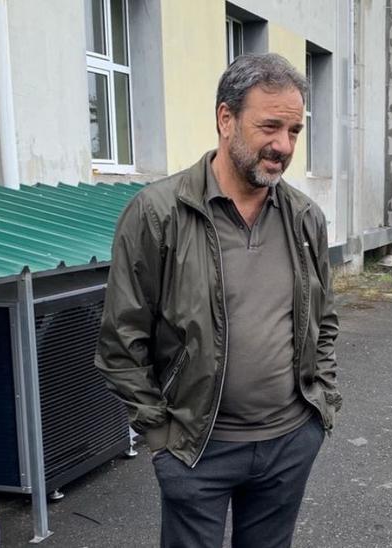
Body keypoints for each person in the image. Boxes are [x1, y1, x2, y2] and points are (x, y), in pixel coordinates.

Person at [95, 52, 340, 548]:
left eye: (294, 131)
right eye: (270, 126)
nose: (283, 145)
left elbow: (325, 320)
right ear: (225, 119)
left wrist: (320, 408)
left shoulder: (305, 217)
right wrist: (161, 438)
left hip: (289, 442)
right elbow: (121, 343)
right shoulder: (158, 213)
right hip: (197, 449)